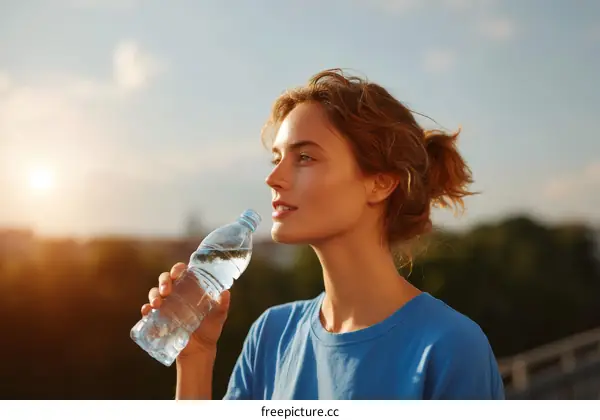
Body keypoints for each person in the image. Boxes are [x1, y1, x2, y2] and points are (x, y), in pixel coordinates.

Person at [141, 69, 505, 400]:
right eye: (277, 158)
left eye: (305, 158)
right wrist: (197, 357)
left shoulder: (450, 348)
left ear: (380, 182)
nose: (274, 178)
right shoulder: (271, 335)